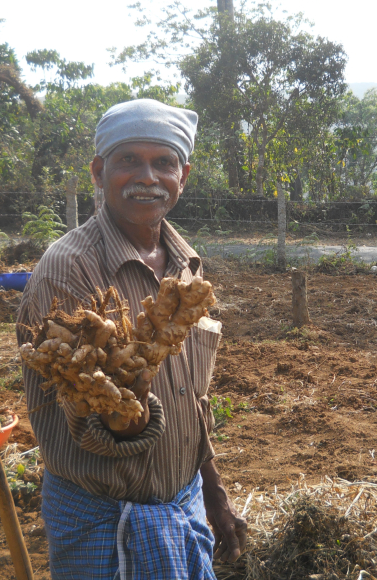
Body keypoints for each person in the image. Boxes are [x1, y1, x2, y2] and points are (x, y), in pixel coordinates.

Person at [17, 99, 247, 579]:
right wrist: (128, 410)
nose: (148, 177)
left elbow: (191, 397)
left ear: (184, 174)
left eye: (163, 163)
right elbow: (88, 427)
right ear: (99, 172)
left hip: (181, 508)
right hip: (105, 524)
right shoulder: (68, 272)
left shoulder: (186, 266)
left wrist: (211, 490)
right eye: (128, 161)